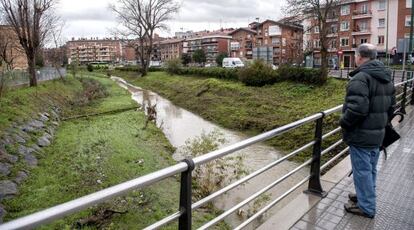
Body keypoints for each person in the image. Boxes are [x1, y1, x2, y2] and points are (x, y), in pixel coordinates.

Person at [340, 44, 396, 218]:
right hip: (378, 133)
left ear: (359, 57)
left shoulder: (361, 78)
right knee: (370, 169)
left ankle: (367, 207)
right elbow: (391, 107)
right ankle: (364, 196)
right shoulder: (386, 76)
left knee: (362, 171)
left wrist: (344, 122)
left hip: (361, 135)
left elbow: (357, 109)